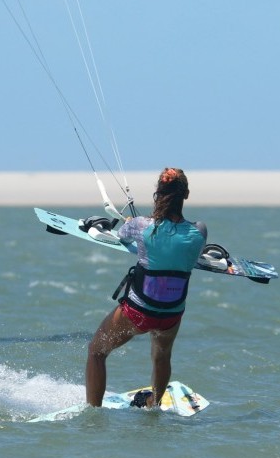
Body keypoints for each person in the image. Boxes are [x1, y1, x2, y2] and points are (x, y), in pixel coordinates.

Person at [85, 168, 207, 409]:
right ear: (186, 195)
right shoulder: (199, 231)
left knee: (96, 351)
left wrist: (133, 223)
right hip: (172, 315)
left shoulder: (141, 225)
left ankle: (93, 412)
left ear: (157, 195)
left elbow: (122, 235)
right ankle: (153, 404)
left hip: (138, 313)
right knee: (162, 355)